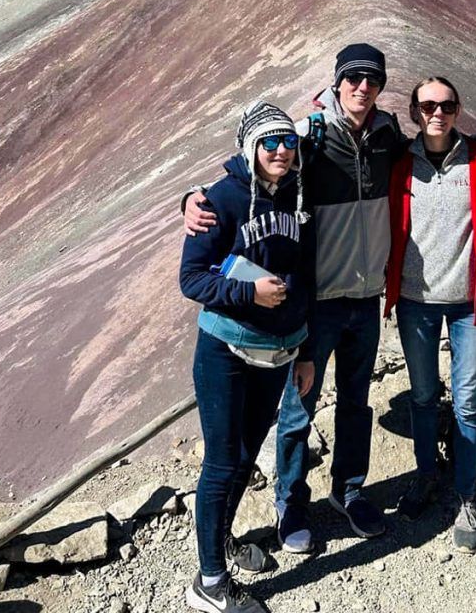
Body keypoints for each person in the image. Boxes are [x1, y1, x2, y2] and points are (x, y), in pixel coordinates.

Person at [185, 44, 407, 553]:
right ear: (337, 81)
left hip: (365, 295)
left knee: (356, 402)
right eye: (353, 77)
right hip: (317, 300)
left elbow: (431, 150)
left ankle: (349, 491)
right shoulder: (308, 137)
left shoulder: (388, 137)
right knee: (297, 408)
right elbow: (254, 168)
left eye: (372, 79)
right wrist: (191, 199)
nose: (362, 87)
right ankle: (290, 502)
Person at [179, 99, 316, 613]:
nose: (280, 151)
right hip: (226, 349)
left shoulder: (299, 196)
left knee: (244, 456)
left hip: (277, 353)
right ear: (250, 147)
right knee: (220, 461)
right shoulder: (221, 199)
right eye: (269, 142)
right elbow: (192, 278)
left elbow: (308, 279)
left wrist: (305, 350)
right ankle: (210, 582)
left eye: (288, 141)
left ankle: (221, 541)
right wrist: (248, 293)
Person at [384, 76, 476, 553]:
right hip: (415, 301)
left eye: (446, 106)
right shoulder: (399, 162)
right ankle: (426, 475)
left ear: (458, 110)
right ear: (414, 112)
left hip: (471, 304)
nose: (437, 114)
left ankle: (467, 495)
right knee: (423, 397)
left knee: (467, 401)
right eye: (427, 106)